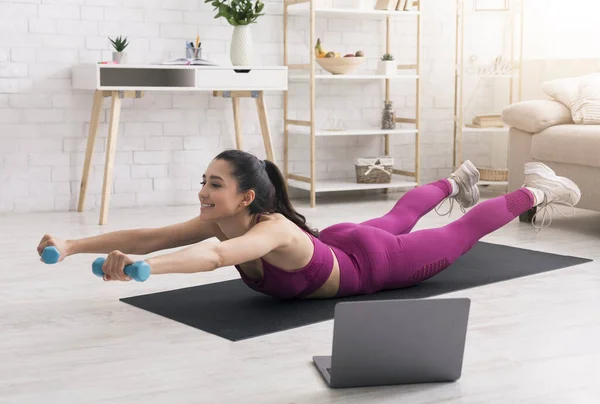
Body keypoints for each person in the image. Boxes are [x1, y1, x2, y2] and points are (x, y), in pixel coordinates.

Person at [37, 149, 581, 300]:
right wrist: (73, 242)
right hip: (340, 244)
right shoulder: (225, 221)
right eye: (203, 180)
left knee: (457, 235)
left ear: (246, 197)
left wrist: (144, 268)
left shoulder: (266, 228)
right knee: (397, 215)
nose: (202, 193)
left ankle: (538, 188)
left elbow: (214, 260)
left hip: (375, 265)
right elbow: (152, 236)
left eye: (215, 185)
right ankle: (457, 180)